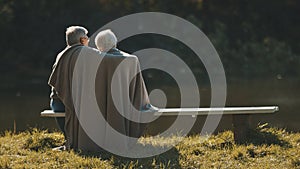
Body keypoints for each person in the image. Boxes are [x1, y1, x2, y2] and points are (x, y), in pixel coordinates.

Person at [48, 26, 89, 138]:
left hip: (56, 103)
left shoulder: (60, 55)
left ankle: (70, 138)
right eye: (86, 37)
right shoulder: (85, 54)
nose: (88, 40)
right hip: (70, 105)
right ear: (82, 40)